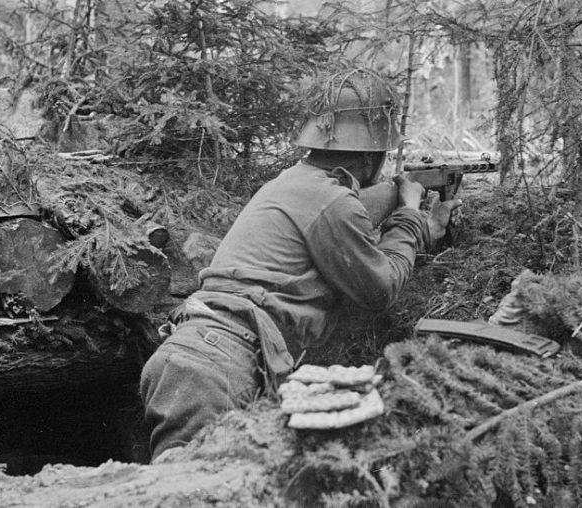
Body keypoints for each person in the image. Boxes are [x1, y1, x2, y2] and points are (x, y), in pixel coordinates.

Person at [139, 68, 460, 460]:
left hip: (199, 355)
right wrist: (411, 214)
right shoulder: (332, 201)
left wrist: (416, 222)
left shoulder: (291, 183)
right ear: (371, 155)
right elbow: (381, 288)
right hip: (214, 367)